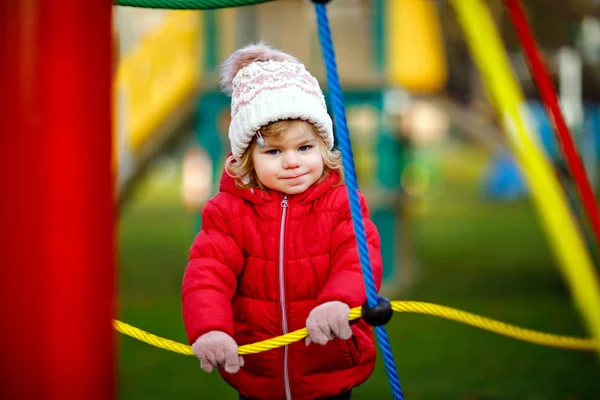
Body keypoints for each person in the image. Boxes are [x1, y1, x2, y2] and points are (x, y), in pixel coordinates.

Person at [181, 42, 383, 400]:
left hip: (327, 363)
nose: (291, 162)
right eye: (274, 151)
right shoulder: (227, 211)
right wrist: (210, 328)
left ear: (323, 148)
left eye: (304, 148)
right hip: (258, 372)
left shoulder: (341, 203)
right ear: (246, 158)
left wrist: (339, 301)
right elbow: (207, 274)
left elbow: (358, 258)